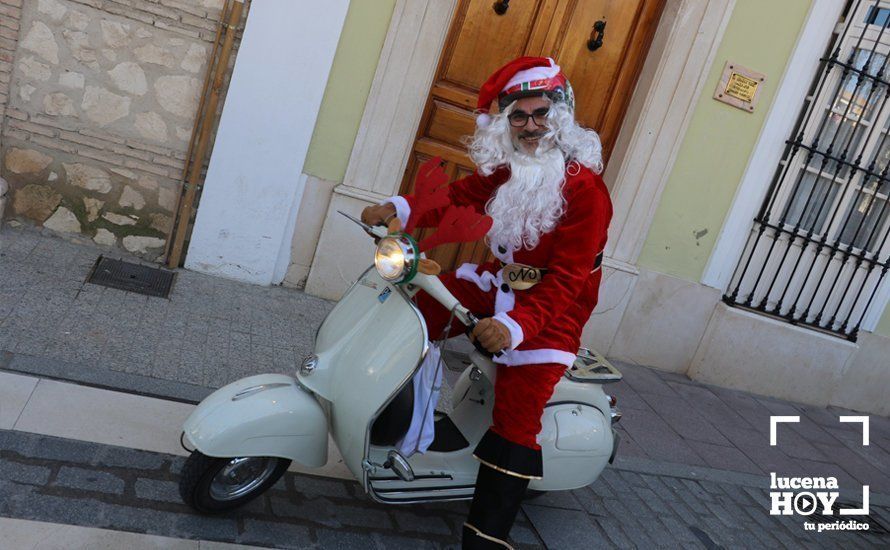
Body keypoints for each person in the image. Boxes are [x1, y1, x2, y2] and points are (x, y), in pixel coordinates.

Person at [362, 56, 612, 549]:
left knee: (517, 419)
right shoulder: (511, 170)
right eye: (518, 116)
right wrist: (400, 208)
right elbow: (460, 195)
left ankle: (486, 538)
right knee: (416, 306)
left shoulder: (587, 190)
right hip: (497, 284)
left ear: (560, 115)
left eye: (540, 113)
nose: (530, 126)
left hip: (550, 313)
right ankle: (390, 418)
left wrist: (518, 327)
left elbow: (567, 280)